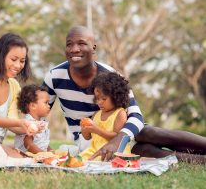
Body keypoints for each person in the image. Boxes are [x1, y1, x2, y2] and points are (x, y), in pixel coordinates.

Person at [43, 25, 206, 163]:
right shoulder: (54, 77)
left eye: (81, 43)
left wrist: (119, 139)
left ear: (93, 47)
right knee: (146, 150)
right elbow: (38, 115)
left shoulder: (111, 76)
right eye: (69, 44)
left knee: (148, 132)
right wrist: (42, 147)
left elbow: (136, 116)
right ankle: (199, 160)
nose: (74, 49)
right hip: (88, 142)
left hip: (121, 134)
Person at [79, 72, 131, 161]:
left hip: (114, 151)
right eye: (97, 98)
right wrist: (85, 129)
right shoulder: (97, 114)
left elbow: (117, 137)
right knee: (80, 158)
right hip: (95, 150)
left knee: (101, 161)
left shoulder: (119, 113)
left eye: (103, 99)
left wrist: (96, 130)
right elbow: (88, 137)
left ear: (116, 96)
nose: (99, 102)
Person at [14, 84, 52, 154]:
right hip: (26, 157)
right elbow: (28, 144)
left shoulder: (42, 121)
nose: (49, 106)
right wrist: (44, 155)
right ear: (33, 106)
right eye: (46, 102)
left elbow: (44, 143)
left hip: (38, 156)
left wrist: (50, 151)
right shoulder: (29, 123)